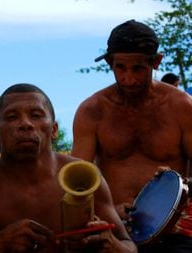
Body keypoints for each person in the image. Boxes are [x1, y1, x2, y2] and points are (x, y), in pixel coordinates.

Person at [0, 83, 137, 253]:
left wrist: (111, 244)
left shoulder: (85, 177)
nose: (26, 124)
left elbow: (129, 246)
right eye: (12, 117)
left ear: (54, 129)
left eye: (36, 115)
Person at [72, 19, 192, 252]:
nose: (129, 78)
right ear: (109, 63)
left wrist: (178, 188)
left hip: (175, 231)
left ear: (155, 62)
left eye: (138, 68)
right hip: (113, 227)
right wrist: (107, 211)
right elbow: (79, 185)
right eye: (120, 68)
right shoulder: (92, 111)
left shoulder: (182, 108)